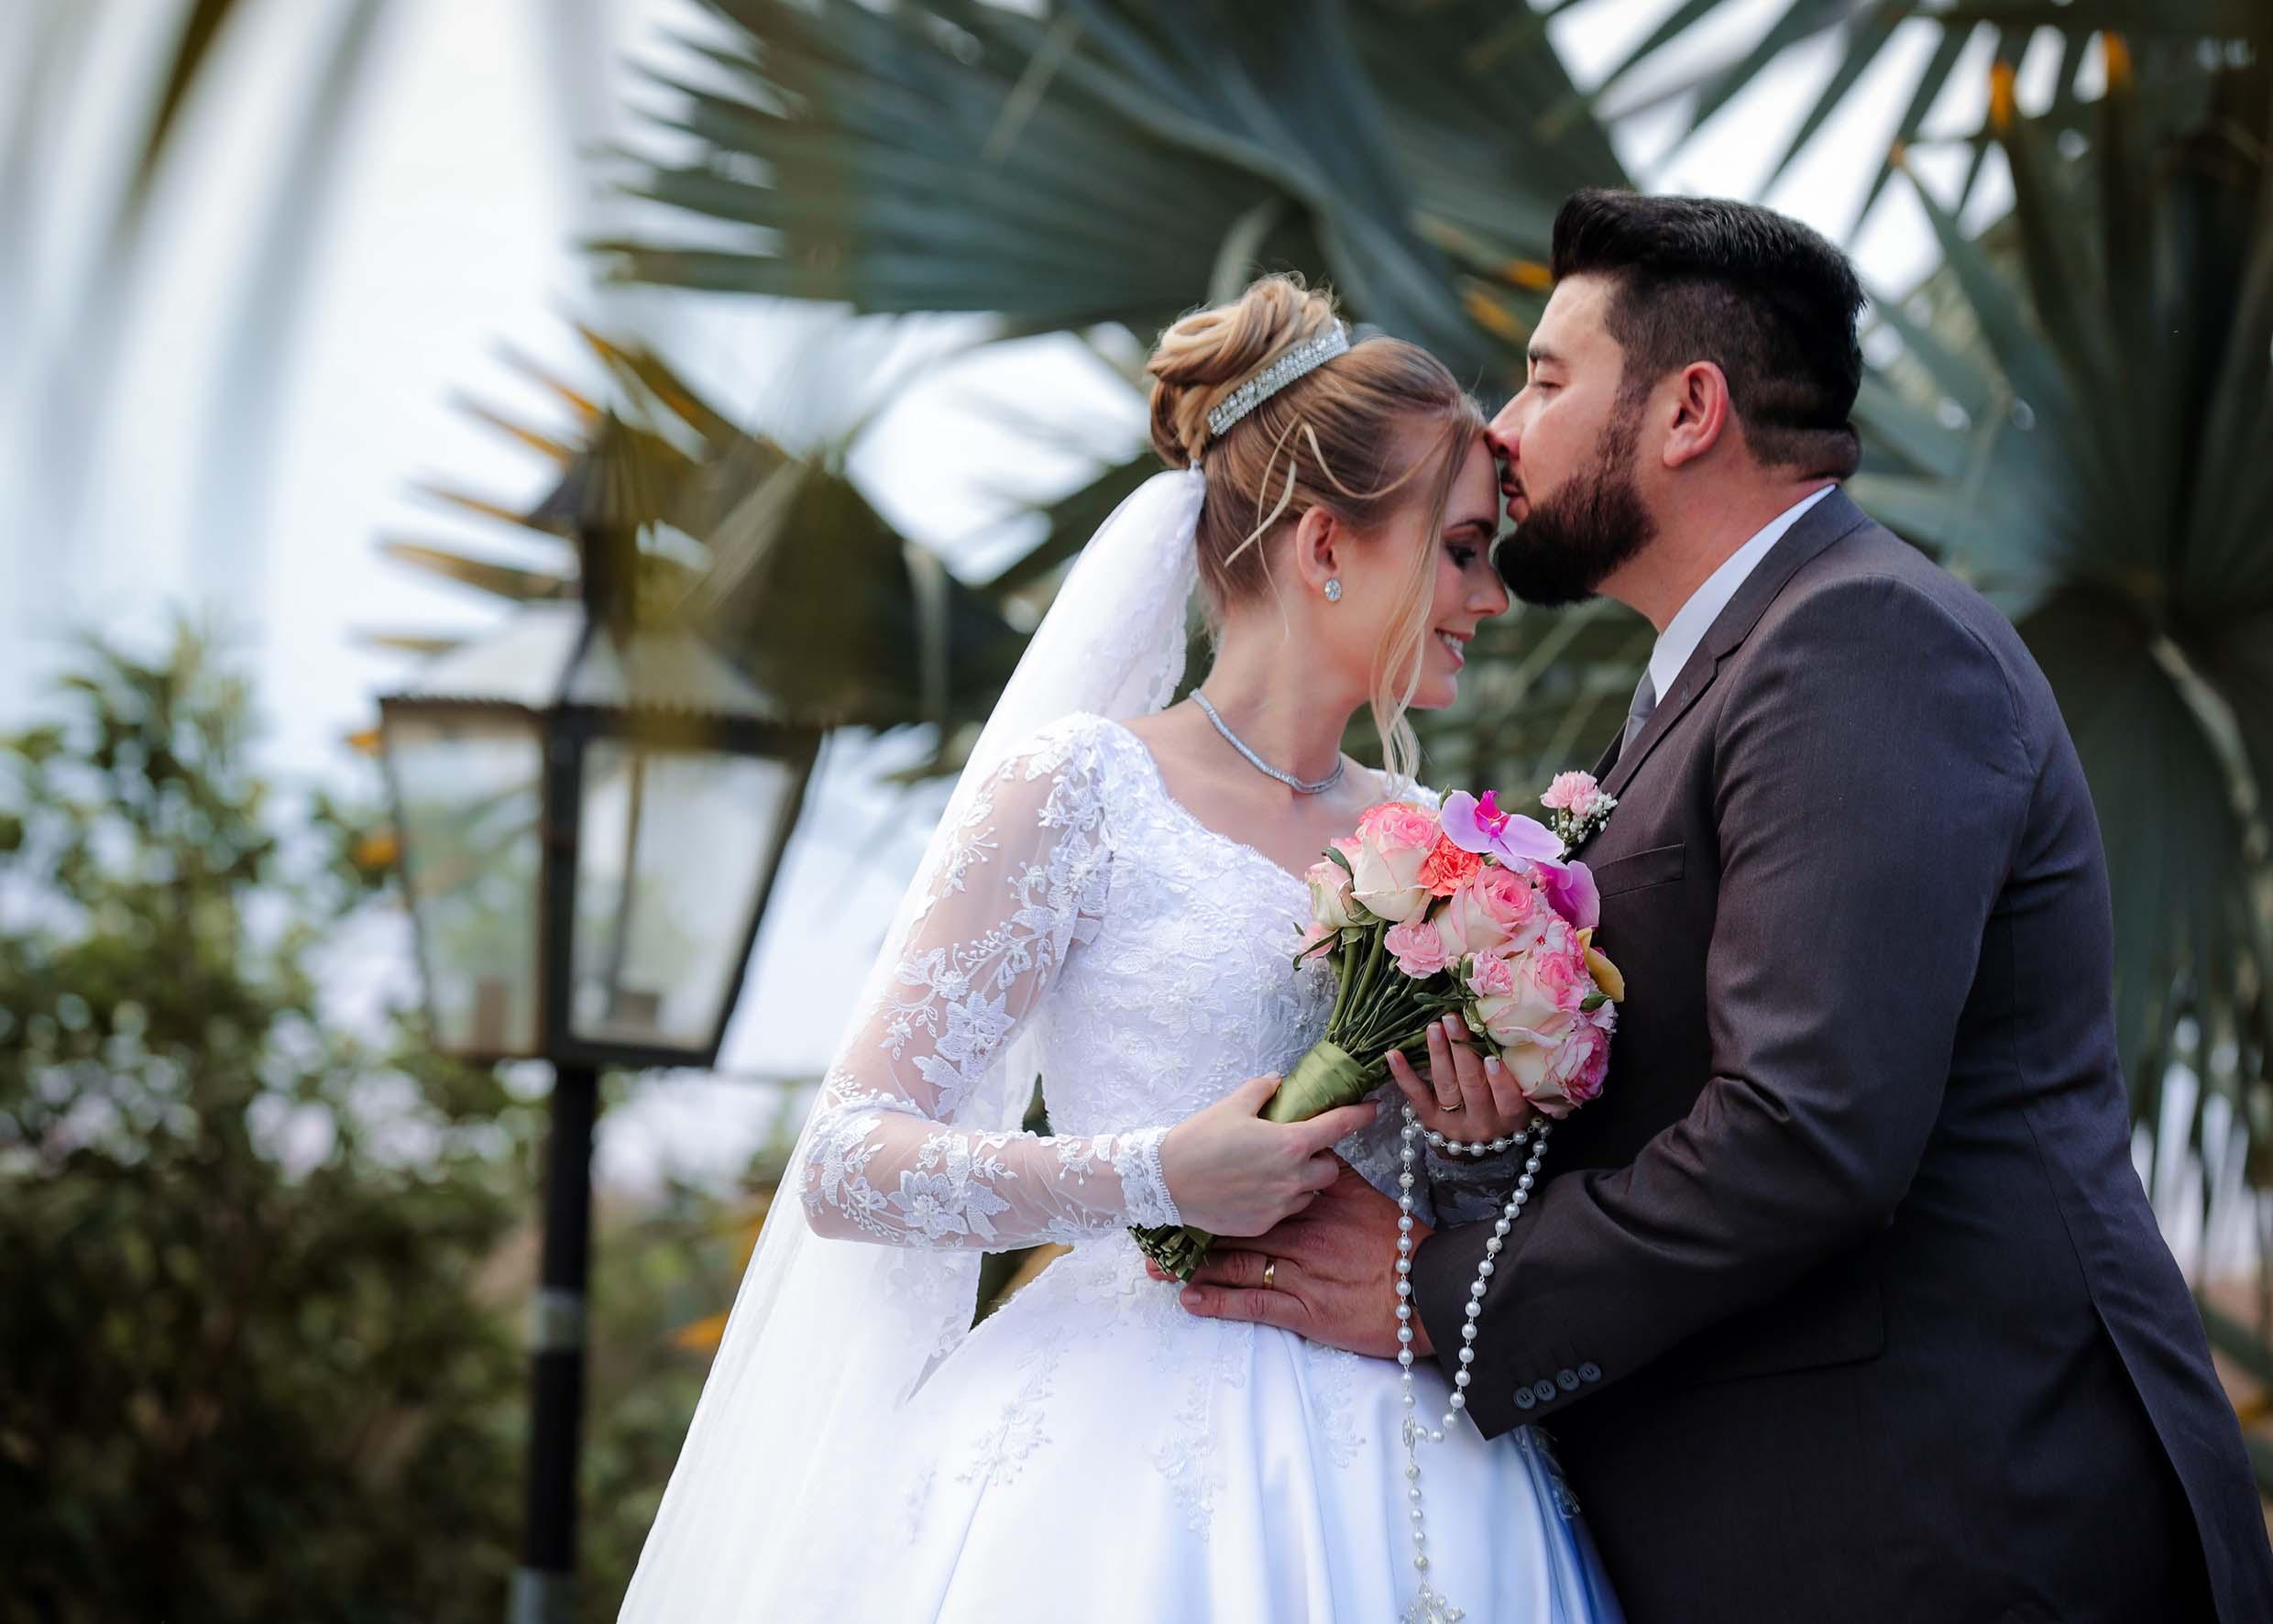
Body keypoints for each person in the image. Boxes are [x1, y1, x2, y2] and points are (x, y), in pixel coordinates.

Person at [1176, 190, 2273, 1623]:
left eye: (1548, 380)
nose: (1503, 432)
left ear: (1689, 410)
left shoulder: (1861, 641)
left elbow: (1806, 1130)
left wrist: (1442, 1290)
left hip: (1951, 1527)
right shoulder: (1723, 673)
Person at [618, 273, 1620, 1622]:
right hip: (1111, 1459)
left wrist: (1476, 1140)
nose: (1490, 597)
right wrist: (1155, 1175)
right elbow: (848, 1162)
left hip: (1410, 1450)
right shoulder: (1083, 792)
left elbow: (1444, 1187)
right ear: (1326, 545)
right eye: (1460, 549)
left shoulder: (1442, 843)